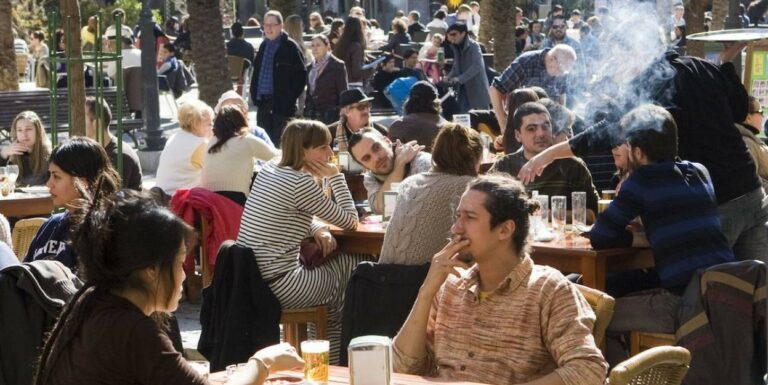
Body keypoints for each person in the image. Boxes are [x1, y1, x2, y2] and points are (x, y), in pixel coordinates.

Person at [519, 42, 768, 263]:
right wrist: (725, 65)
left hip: (718, 202)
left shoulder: (651, 87)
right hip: (752, 190)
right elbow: (739, 110)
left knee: (715, 294)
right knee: (757, 295)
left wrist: (547, 155)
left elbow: (605, 132)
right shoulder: (701, 66)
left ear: (637, 54)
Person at [34, 190, 304, 385]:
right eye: (178, 262)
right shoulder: (129, 328)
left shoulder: (94, 301)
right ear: (151, 270)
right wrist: (263, 362)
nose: (184, 275)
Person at [392, 174, 608, 383]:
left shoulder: (548, 290)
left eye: (470, 217)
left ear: (505, 229)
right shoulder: (451, 285)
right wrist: (426, 291)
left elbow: (587, 369)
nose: (456, 228)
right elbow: (402, 367)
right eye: (458, 216)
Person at [590, 105, 736, 364]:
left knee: (594, 317)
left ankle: (626, 381)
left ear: (637, 151)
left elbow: (600, 236)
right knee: (620, 297)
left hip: (683, 302)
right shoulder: (700, 171)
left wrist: (637, 238)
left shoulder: (642, 180)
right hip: (723, 296)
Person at [237, 120, 369, 364]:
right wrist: (336, 177)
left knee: (339, 278)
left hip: (255, 282)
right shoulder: (300, 182)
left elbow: (288, 210)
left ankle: (316, 350)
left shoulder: (270, 169)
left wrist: (317, 227)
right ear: (302, 151)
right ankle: (330, 362)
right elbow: (350, 221)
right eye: (322, 148)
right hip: (282, 286)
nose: (330, 154)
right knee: (356, 266)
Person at [380, 123, 480, 265]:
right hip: (427, 280)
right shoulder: (469, 187)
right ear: (475, 158)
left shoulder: (409, 183)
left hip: (384, 278)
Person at [23, 137, 121, 272]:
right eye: (50, 175)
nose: (49, 184)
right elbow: (23, 276)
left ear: (82, 182)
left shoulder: (104, 231)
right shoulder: (50, 225)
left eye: (56, 176)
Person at [492, 102, 599, 222]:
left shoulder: (572, 166)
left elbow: (592, 214)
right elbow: (488, 209)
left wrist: (548, 214)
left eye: (545, 126)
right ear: (518, 135)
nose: (541, 133)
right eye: (531, 129)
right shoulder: (504, 167)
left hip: (563, 238)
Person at [250, 10, 308, 146]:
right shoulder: (263, 46)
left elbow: (301, 75)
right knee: (263, 145)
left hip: (282, 108)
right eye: (266, 25)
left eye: (273, 25)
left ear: (281, 26)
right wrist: (254, 97)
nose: (269, 28)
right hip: (263, 106)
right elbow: (257, 73)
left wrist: (289, 98)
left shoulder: (290, 47)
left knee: (281, 146)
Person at [201, 105, 278, 206]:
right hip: (236, 199)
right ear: (242, 121)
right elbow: (275, 157)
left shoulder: (211, 142)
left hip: (208, 198)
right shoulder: (246, 140)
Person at [490, 44, 576, 131]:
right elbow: (496, 88)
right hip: (521, 120)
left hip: (548, 121)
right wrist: (503, 122)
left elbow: (561, 96)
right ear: (552, 59)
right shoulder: (526, 62)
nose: (562, 74)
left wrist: (561, 122)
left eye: (565, 72)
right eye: (561, 70)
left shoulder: (563, 69)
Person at [348, 128, 432, 214]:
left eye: (376, 148)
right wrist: (399, 166)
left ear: (387, 141)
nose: (376, 158)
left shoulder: (422, 162)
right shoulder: (371, 177)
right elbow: (382, 208)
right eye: (367, 158)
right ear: (364, 166)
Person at [84, 96, 143, 191]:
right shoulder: (95, 150)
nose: (77, 124)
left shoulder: (119, 156)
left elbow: (108, 197)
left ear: (97, 123)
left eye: (82, 119)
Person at [155, 100, 214, 196]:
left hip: (162, 194)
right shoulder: (200, 144)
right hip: (180, 200)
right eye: (209, 124)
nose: (212, 127)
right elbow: (213, 174)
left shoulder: (175, 137)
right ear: (195, 123)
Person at [443, 23, 490, 113]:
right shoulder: (455, 47)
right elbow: (456, 66)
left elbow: (477, 66)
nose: (452, 37)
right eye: (450, 34)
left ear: (463, 33)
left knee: (482, 121)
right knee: (463, 120)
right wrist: (448, 77)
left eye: (454, 34)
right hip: (462, 91)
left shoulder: (474, 46)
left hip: (477, 90)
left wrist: (459, 79)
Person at [388, 81, 447, 151]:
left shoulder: (399, 125)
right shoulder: (448, 126)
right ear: (436, 102)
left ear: (409, 101)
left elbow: (391, 156)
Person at [305, 34, 348, 125]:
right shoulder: (309, 67)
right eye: (312, 46)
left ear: (327, 46)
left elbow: (343, 91)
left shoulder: (337, 65)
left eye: (318, 45)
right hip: (312, 114)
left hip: (330, 114)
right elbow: (309, 91)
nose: (315, 48)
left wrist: (342, 111)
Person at [0, 111, 51, 186]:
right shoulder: (12, 155)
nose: (24, 134)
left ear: (38, 131)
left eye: (28, 129)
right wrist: (3, 154)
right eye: (19, 130)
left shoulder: (49, 155)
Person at [736, 96, 768, 190]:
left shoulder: (749, 139)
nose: (762, 116)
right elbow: (753, 181)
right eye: (760, 112)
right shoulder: (746, 143)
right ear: (748, 117)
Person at [334, 16, 371, 89]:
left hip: (340, 83)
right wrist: (370, 69)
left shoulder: (339, 45)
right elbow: (356, 72)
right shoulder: (356, 46)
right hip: (354, 84)